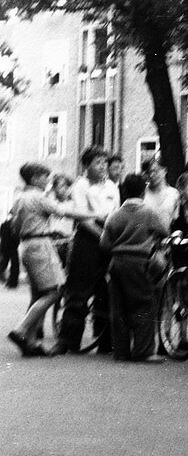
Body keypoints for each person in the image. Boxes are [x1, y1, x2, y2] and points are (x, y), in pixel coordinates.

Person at [6, 163, 98, 356]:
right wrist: (95, 214)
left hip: (26, 245)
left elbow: (14, 226)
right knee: (54, 292)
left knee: (38, 293)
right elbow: (64, 212)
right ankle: (21, 330)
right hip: (40, 244)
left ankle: (30, 342)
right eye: (44, 176)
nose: (48, 180)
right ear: (34, 178)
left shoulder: (19, 198)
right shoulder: (38, 197)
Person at [56, 146, 118, 356]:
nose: (103, 167)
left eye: (104, 162)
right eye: (98, 163)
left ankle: (105, 342)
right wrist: (102, 237)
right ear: (86, 165)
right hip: (87, 241)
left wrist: (110, 236)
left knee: (105, 290)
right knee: (78, 291)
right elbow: (83, 219)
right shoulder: (80, 186)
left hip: (107, 237)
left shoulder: (112, 186)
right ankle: (67, 340)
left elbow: (114, 214)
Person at [100, 173, 168, 363]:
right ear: (143, 191)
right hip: (139, 262)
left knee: (118, 308)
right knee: (143, 304)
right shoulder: (148, 212)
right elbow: (164, 231)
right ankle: (144, 350)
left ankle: (121, 351)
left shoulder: (115, 215)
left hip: (117, 262)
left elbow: (104, 243)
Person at [141, 153, 179, 233]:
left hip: (167, 240)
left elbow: (176, 220)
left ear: (164, 170)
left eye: (155, 171)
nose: (152, 175)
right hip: (145, 241)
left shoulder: (174, 194)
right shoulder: (142, 193)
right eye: (148, 172)